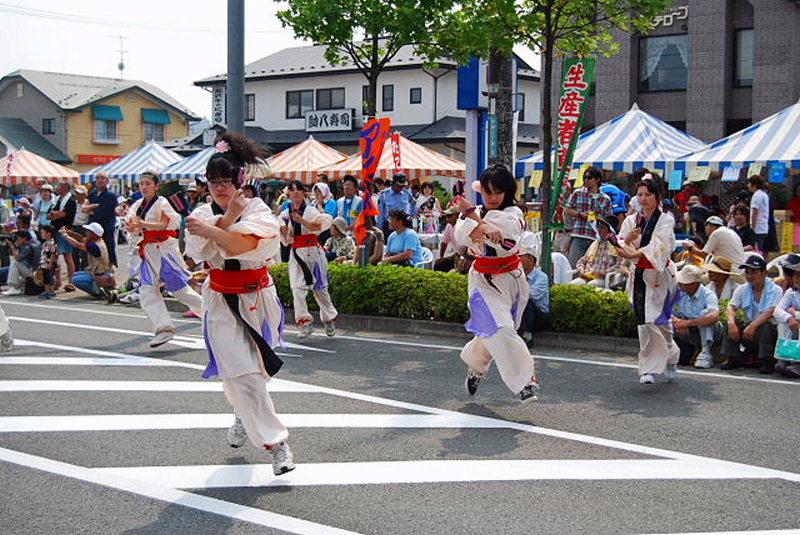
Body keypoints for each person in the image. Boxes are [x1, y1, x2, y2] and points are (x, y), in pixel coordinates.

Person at [185, 132, 295, 476]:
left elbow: (239, 246)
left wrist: (218, 226)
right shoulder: (200, 213)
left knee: (254, 374)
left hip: (258, 298)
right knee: (243, 374)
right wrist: (227, 219)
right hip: (220, 300)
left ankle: (242, 416)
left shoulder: (260, 210)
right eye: (213, 181)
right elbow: (201, 248)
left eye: (226, 181)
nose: (220, 188)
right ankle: (277, 444)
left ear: (240, 180)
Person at [455, 164, 539, 403]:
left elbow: (509, 237)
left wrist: (476, 219)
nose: (492, 198)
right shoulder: (476, 212)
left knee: (493, 331)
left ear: (507, 191)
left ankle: (476, 366)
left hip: (510, 280)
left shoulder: (514, 213)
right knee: (501, 328)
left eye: (498, 192)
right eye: (487, 191)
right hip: (482, 281)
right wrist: (477, 222)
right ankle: (525, 381)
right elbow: (464, 238)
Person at [125, 170, 203, 348]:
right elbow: (132, 226)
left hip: (164, 250)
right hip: (149, 250)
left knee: (179, 291)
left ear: (156, 186)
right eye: (141, 184)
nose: (144, 187)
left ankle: (211, 313)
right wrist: (132, 226)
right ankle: (163, 328)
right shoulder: (137, 204)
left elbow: (166, 223)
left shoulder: (161, 202)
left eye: (147, 184)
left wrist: (143, 224)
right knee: (146, 290)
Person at [615, 177, 680, 385]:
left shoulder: (666, 220)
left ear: (657, 196)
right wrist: (627, 240)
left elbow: (659, 249)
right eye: (640, 194)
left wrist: (633, 252)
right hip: (639, 276)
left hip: (659, 275)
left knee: (662, 322)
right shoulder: (630, 221)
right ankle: (647, 368)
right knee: (644, 321)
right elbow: (617, 244)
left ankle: (671, 358)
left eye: (648, 195)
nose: (643, 199)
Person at [279, 180, 338, 338]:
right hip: (297, 253)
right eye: (292, 190)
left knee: (320, 288)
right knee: (297, 288)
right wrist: (285, 232)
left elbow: (318, 228)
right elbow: (285, 238)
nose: (296, 192)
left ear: (303, 192)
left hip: (313, 251)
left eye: (298, 189)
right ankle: (305, 323)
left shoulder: (311, 210)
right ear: (288, 194)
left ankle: (329, 319)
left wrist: (302, 221)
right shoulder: (285, 213)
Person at [720, 254, 781, 373]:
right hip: (749, 332)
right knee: (732, 323)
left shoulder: (776, 290)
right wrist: (731, 323)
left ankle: (766, 361)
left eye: (753, 272)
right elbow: (730, 307)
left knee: (766, 326)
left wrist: (753, 326)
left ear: (764, 273)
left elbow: (771, 311)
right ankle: (733, 358)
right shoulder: (742, 289)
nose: (749, 276)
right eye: (747, 272)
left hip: (768, 334)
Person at [671, 265, 721, 369]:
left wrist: (688, 323)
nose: (679, 283)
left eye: (683, 282)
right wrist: (677, 322)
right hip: (687, 331)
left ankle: (705, 352)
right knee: (667, 318)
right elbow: (665, 311)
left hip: (710, 333)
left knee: (706, 315)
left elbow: (714, 316)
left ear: (693, 284)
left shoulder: (708, 294)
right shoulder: (679, 292)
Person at [565, 166, 613, 268]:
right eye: (584, 178)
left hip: (595, 237)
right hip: (579, 234)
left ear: (597, 179)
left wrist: (598, 219)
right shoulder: (578, 193)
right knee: (574, 267)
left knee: (592, 268)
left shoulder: (605, 199)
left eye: (589, 178)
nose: (586, 180)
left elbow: (608, 219)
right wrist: (579, 214)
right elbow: (568, 209)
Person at [60, 223, 115, 300]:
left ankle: (98, 291)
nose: (86, 233)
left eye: (88, 231)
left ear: (94, 234)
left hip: (100, 274)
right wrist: (70, 232)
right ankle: (97, 287)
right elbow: (82, 238)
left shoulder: (94, 246)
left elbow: (77, 245)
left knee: (74, 280)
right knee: (75, 274)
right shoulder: (97, 241)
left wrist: (65, 235)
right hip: (99, 272)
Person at [568, 215, 624, 287]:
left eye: (602, 227)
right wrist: (581, 270)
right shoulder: (595, 243)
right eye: (598, 227)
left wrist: (603, 273)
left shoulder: (616, 245)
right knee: (571, 285)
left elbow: (620, 266)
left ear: (609, 230)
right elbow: (582, 261)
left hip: (604, 279)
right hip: (587, 276)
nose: (599, 230)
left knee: (591, 285)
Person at [517, 232, 551, 347]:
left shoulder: (541, 277)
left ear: (531, 260)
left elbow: (532, 295)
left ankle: (527, 334)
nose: (519, 260)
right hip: (524, 314)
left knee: (526, 301)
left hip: (539, 316)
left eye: (522, 257)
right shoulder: (518, 275)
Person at [772, 254, 800, 379]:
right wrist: (790, 318)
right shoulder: (791, 292)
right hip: (795, 327)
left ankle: (797, 365)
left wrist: (795, 314)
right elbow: (777, 310)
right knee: (783, 322)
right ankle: (783, 357)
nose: (796, 278)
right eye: (795, 274)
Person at [48, 181, 77, 292]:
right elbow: (49, 215)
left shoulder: (71, 200)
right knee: (54, 256)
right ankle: (58, 280)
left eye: (60, 186)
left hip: (65, 230)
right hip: (54, 230)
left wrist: (55, 214)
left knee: (67, 256)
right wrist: (55, 214)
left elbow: (63, 214)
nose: (58, 187)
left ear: (66, 187)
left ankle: (71, 281)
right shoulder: (57, 199)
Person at [85, 172, 118, 266]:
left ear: (107, 181)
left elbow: (101, 212)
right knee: (93, 251)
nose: (100, 180)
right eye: (97, 178)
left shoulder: (111, 195)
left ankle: (110, 272)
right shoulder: (92, 194)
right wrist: (90, 209)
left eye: (102, 178)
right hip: (93, 229)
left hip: (106, 228)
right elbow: (84, 208)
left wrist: (90, 210)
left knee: (108, 251)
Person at [0, 230, 40, 295]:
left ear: (24, 238)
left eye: (18, 238)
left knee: (15, 263)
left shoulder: (27, 247)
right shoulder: (35, 243)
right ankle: (18, 288)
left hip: (34, 273)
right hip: (37, 273)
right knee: (16, 273)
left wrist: (12, 246)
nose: (17, 240)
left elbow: (17, 258)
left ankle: (13, 288)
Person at [377, 173, 416, 238]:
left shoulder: (406, 193)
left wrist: (411, 215)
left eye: (402, 185)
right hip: (390, 226)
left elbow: (413, 203)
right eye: (398, 185)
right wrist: (380, 227)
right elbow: (380, 212)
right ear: (392, 184)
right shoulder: (384, 194)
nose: (401, 187)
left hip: (404, 225)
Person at [434, 207, 462, 272]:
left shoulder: (462, 226)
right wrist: (441, 257)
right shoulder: (449, 226)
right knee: (438, 264)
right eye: (446, 216)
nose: (447, 219)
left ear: (457, 215)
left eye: (449, 216)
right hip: (457, 255)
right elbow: (444, 243)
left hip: (466, 256)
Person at [748, 175, 770, 253]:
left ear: (755, 185)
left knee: (756, 251)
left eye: (749, 183)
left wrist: (753, 228)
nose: (748, 185)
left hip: (757, 228)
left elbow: (755, 212)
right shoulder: (764, 195)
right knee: (761, 250)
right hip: (764, 227)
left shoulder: (756, 195)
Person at [71, 186, 90, 272]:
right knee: (74, 251)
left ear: (84, 195)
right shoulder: (73, 203)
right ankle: (76, 270)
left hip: (84, 228)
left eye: (80, 194)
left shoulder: (88, 204)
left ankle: (83, 269)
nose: (78, 196)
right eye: (77, 194)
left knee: (84, 251)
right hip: (74, 227)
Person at [37, 225, 57, 299]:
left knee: (50, 277)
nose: (41, 234)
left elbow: (53, 254)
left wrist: (51, 263)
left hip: (49, 264)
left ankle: (51, 291)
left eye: (43, 233)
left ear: (48, 233)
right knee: (45, 277)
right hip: (44, 263)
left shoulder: (52, 243)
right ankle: (47, 291)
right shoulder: (45, 243)